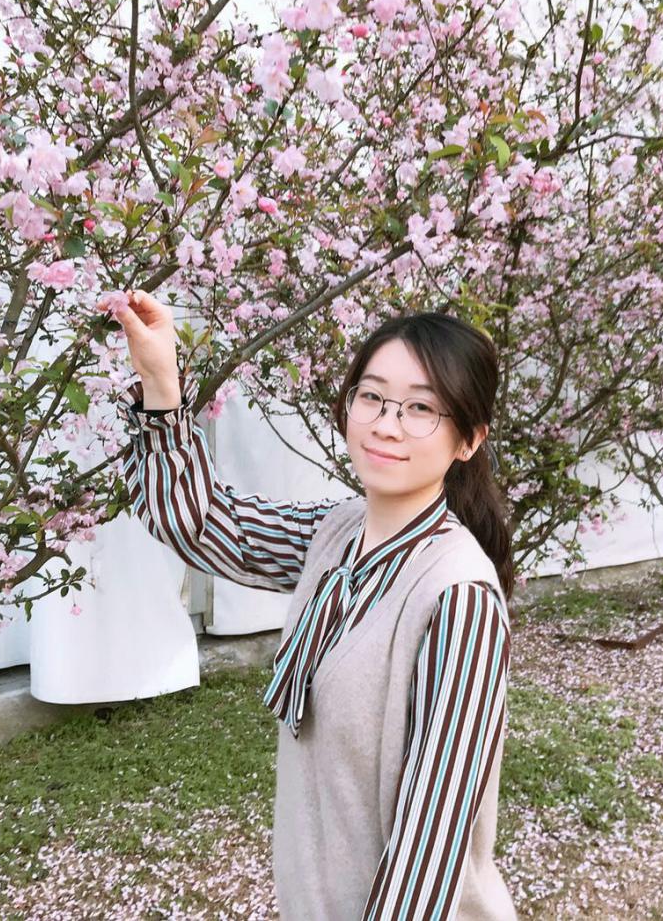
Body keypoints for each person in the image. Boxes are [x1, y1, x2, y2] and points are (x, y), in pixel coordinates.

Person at [111, 289, 518, 920]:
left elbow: (429, 851)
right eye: (372, 397)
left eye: (421, 408)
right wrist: (162, 382)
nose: (387, 424)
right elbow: (202, 524)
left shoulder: (458, 598)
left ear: (468, 439)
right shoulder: (337, 535)